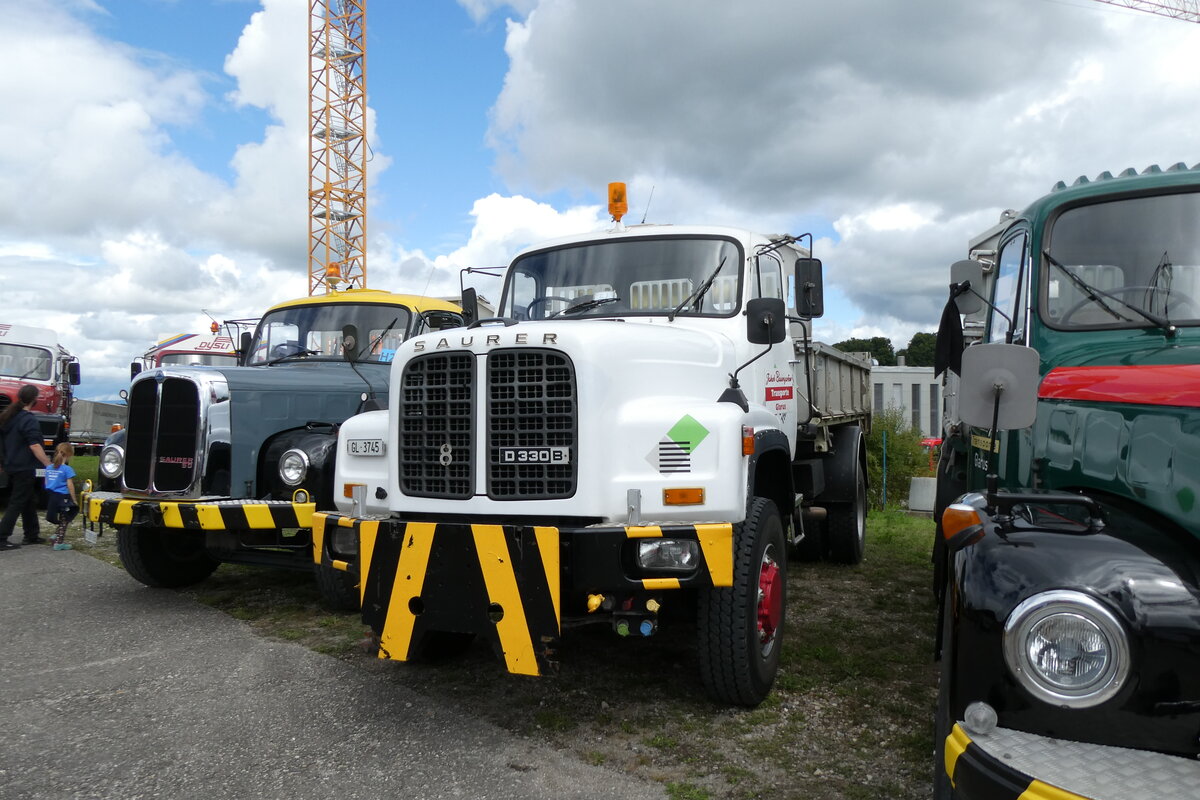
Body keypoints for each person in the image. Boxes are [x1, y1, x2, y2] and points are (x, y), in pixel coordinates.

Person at [0, 384, 53, 549]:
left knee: (28, 499)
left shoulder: (9, 417)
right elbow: (34, 445)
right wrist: (48, 464)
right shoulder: (28, 419)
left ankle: (31, 534)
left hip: (12, 464)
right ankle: (1, 537)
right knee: (17, 502)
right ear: (34, 399)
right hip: (25, 466)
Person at [44, 441, 78, 551]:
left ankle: (56, 535)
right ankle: (59, 542)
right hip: (63, 496)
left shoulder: (49, 468)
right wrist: (74, 499)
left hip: (52, 495)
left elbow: (46, 482)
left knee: (61, 517)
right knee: (65, 518)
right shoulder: (67, 469)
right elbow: (70, 485)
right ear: (68, 455)